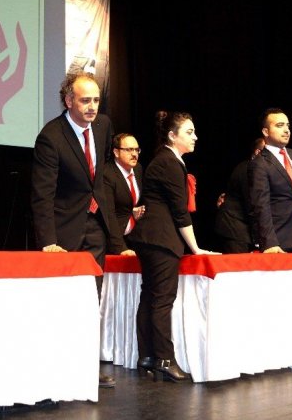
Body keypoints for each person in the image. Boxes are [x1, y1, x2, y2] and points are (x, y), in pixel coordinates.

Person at [30, 71, 115, 388]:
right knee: (62, 301)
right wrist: (48, 241)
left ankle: (86, 366)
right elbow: (42, 194)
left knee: (91, 300)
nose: (92, 107)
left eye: (96, 100)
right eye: (85, 100)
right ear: (68, 101)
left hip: (95, 226)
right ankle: (55, 366)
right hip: (63, 230)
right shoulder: (51, 136)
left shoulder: (103, 126)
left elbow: (98, 178)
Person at [128, 110, 219, 383]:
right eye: (189, 132)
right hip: (160, 239)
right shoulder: (169, 162)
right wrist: (196, 248)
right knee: (161, 300)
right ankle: (165, 359)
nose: (195, 137)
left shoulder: (164, 160)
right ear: (172, 135)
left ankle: (147, 357)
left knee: (150, 297)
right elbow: (180, 213)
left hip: (152, 238)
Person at [248, 108, 292, 256]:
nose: (286, 130)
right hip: (277, 240)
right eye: (279, 125)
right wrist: (269, 242)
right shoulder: (259, 163)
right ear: (266, 131)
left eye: (287, 125)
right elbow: (260, 205)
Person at [214, 137, 265, 253]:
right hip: (234, 228)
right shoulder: (249, 170)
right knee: (237, 263)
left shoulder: (250, 167)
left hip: (240, 228)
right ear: (258, 152)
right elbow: (252, 203)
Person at [103, 133, 145, 256]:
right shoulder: (107, 174)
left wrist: (134, 211)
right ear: (116, 152)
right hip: (113, 241)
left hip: (133, 236)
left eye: (137, 150)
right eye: (129, 150)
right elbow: (109, 214)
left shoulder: (138, 169)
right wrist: (120, 247)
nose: (134, 154)